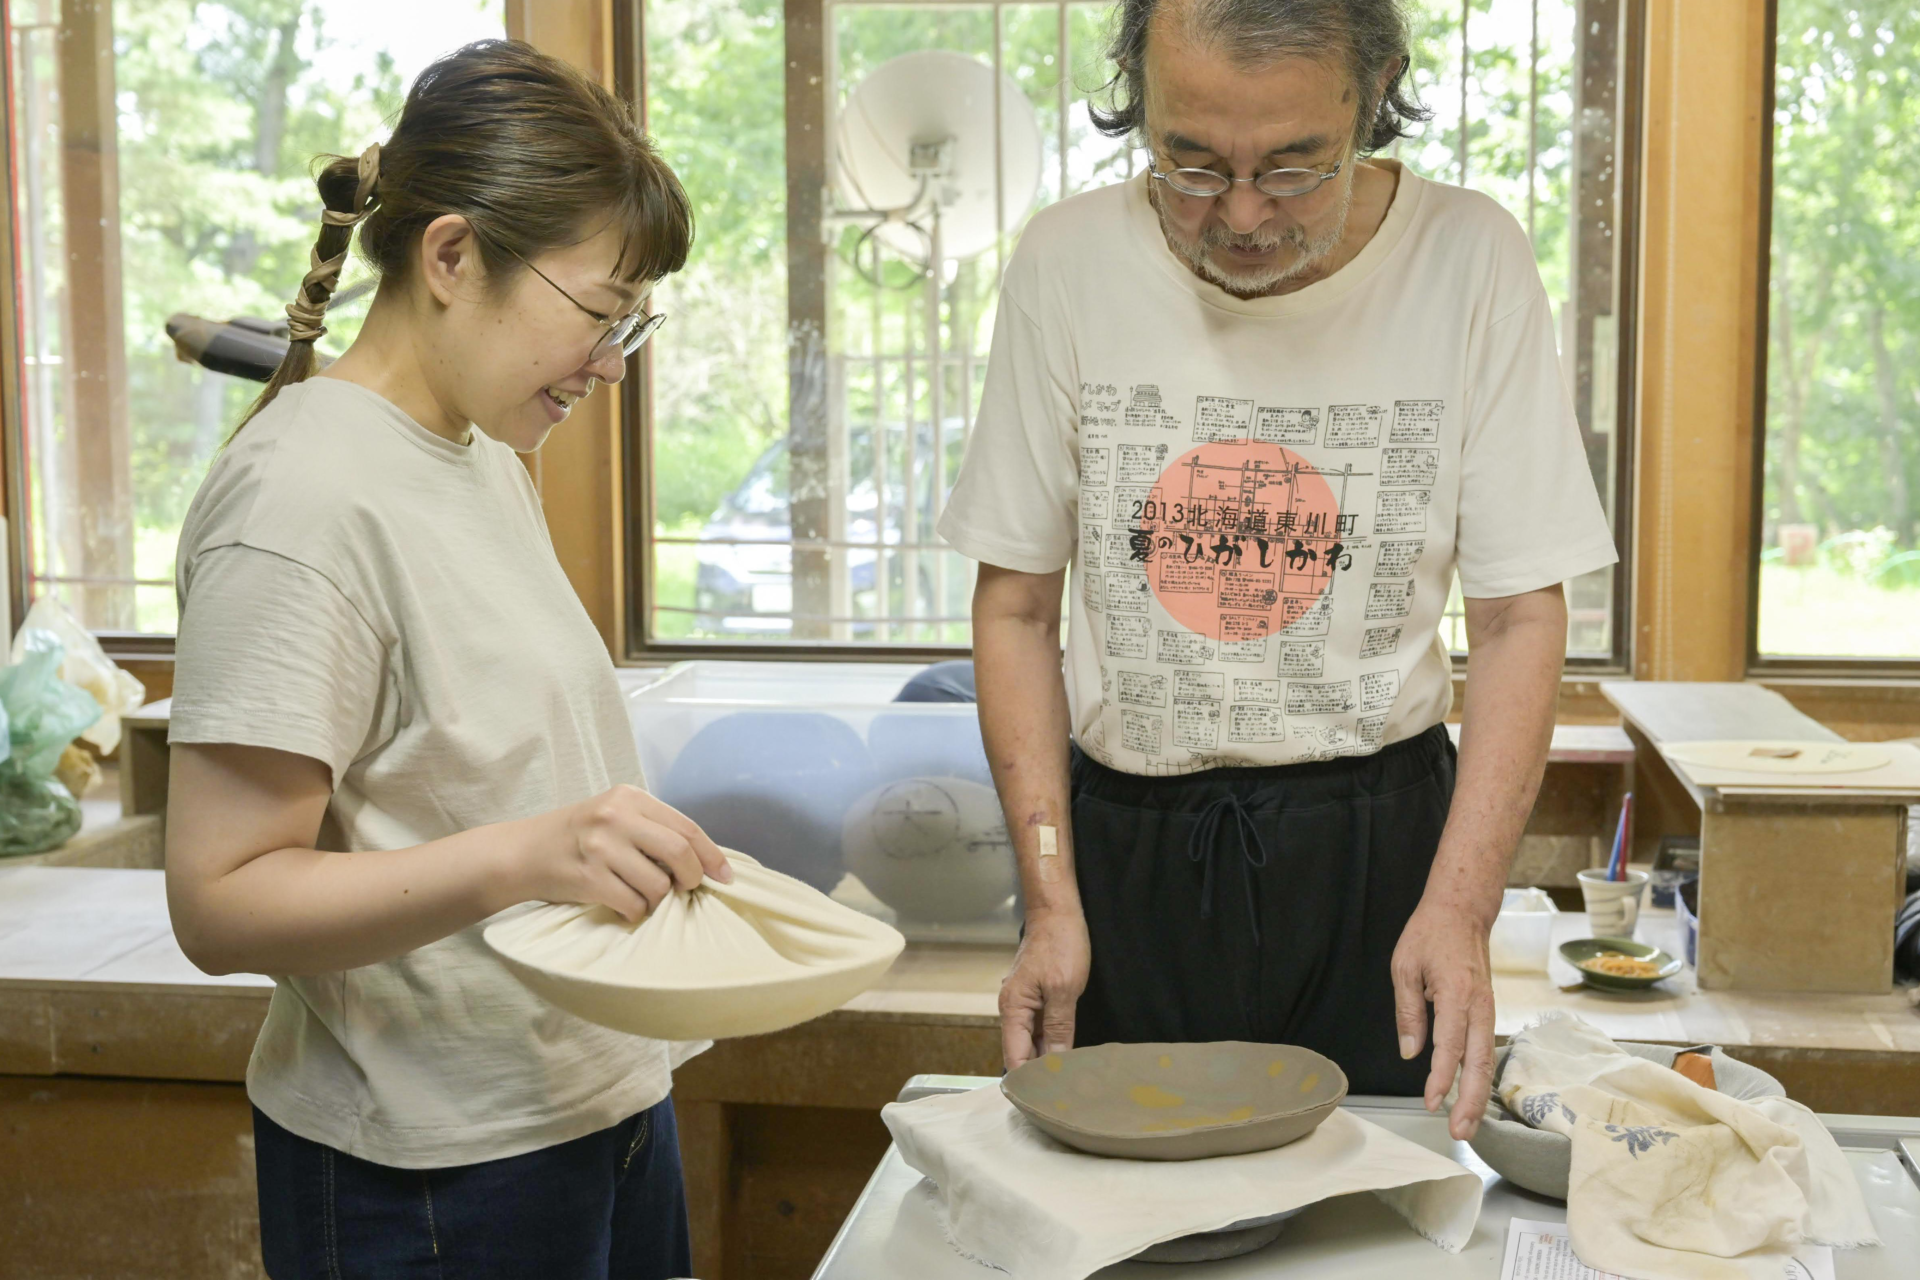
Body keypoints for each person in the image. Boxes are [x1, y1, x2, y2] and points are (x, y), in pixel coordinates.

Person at [937, 0, 1616, 1141]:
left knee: (1374, 1204)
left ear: (1375, 89)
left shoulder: (1468, 257)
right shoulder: (1067, 263)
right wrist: (1050, 898)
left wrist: (1460, 905)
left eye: (1295, 168)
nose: (1240, 215)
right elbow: (1014, 608)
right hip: (1125, 847)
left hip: (1377, 844)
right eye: (1190, 163)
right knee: (1135, 1208)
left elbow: (1514, 620)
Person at [164, 41, 724, 1278]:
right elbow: (219, 899)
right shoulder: (303, 499)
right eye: (595, 314)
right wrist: (528, 854)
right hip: (428, 1169)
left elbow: (475, 769)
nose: (613, 365)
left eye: (633, 323)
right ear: (453, 255)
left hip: (593, 1100)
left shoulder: (477, 454)